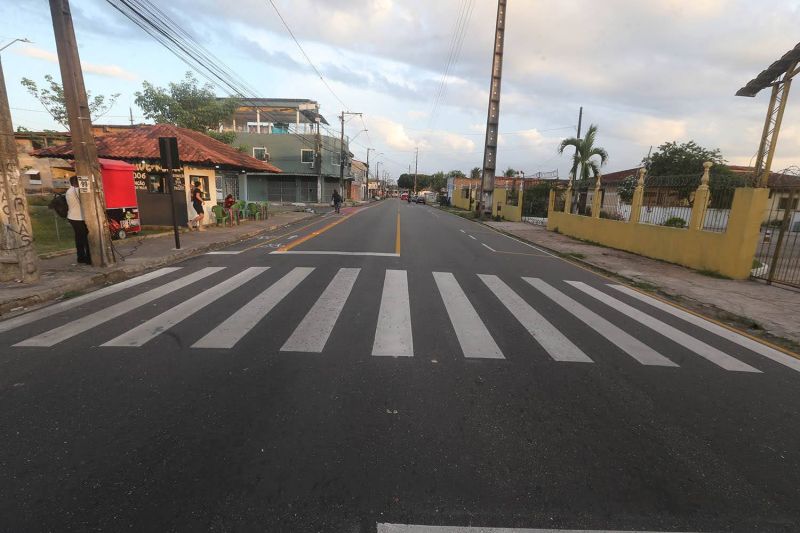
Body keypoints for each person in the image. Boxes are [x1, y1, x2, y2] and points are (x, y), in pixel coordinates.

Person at [65, 176, 91, 265]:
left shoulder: (69, 191)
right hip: (79, 218)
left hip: (72, 217)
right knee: (86, 238)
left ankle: (81, 257)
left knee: (79, 238)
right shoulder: (78, 191)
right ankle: (88, 258)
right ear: (77, 182)